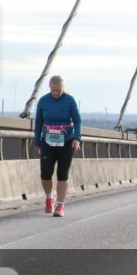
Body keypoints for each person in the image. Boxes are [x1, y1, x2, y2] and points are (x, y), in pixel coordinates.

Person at [33, 75, 82, 218]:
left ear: (63, 88)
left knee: (62, 174)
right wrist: (37, 142)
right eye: (53, 90)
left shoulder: (70, 100)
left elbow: (77, 120)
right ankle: (49, 197)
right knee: (45, 173)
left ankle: (60, 205)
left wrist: (77, 138)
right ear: (50, 88)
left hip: (66, 142)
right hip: (48, 142)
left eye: (58, 90)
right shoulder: (43, 101)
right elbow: (38, 123)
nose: (55, 93)